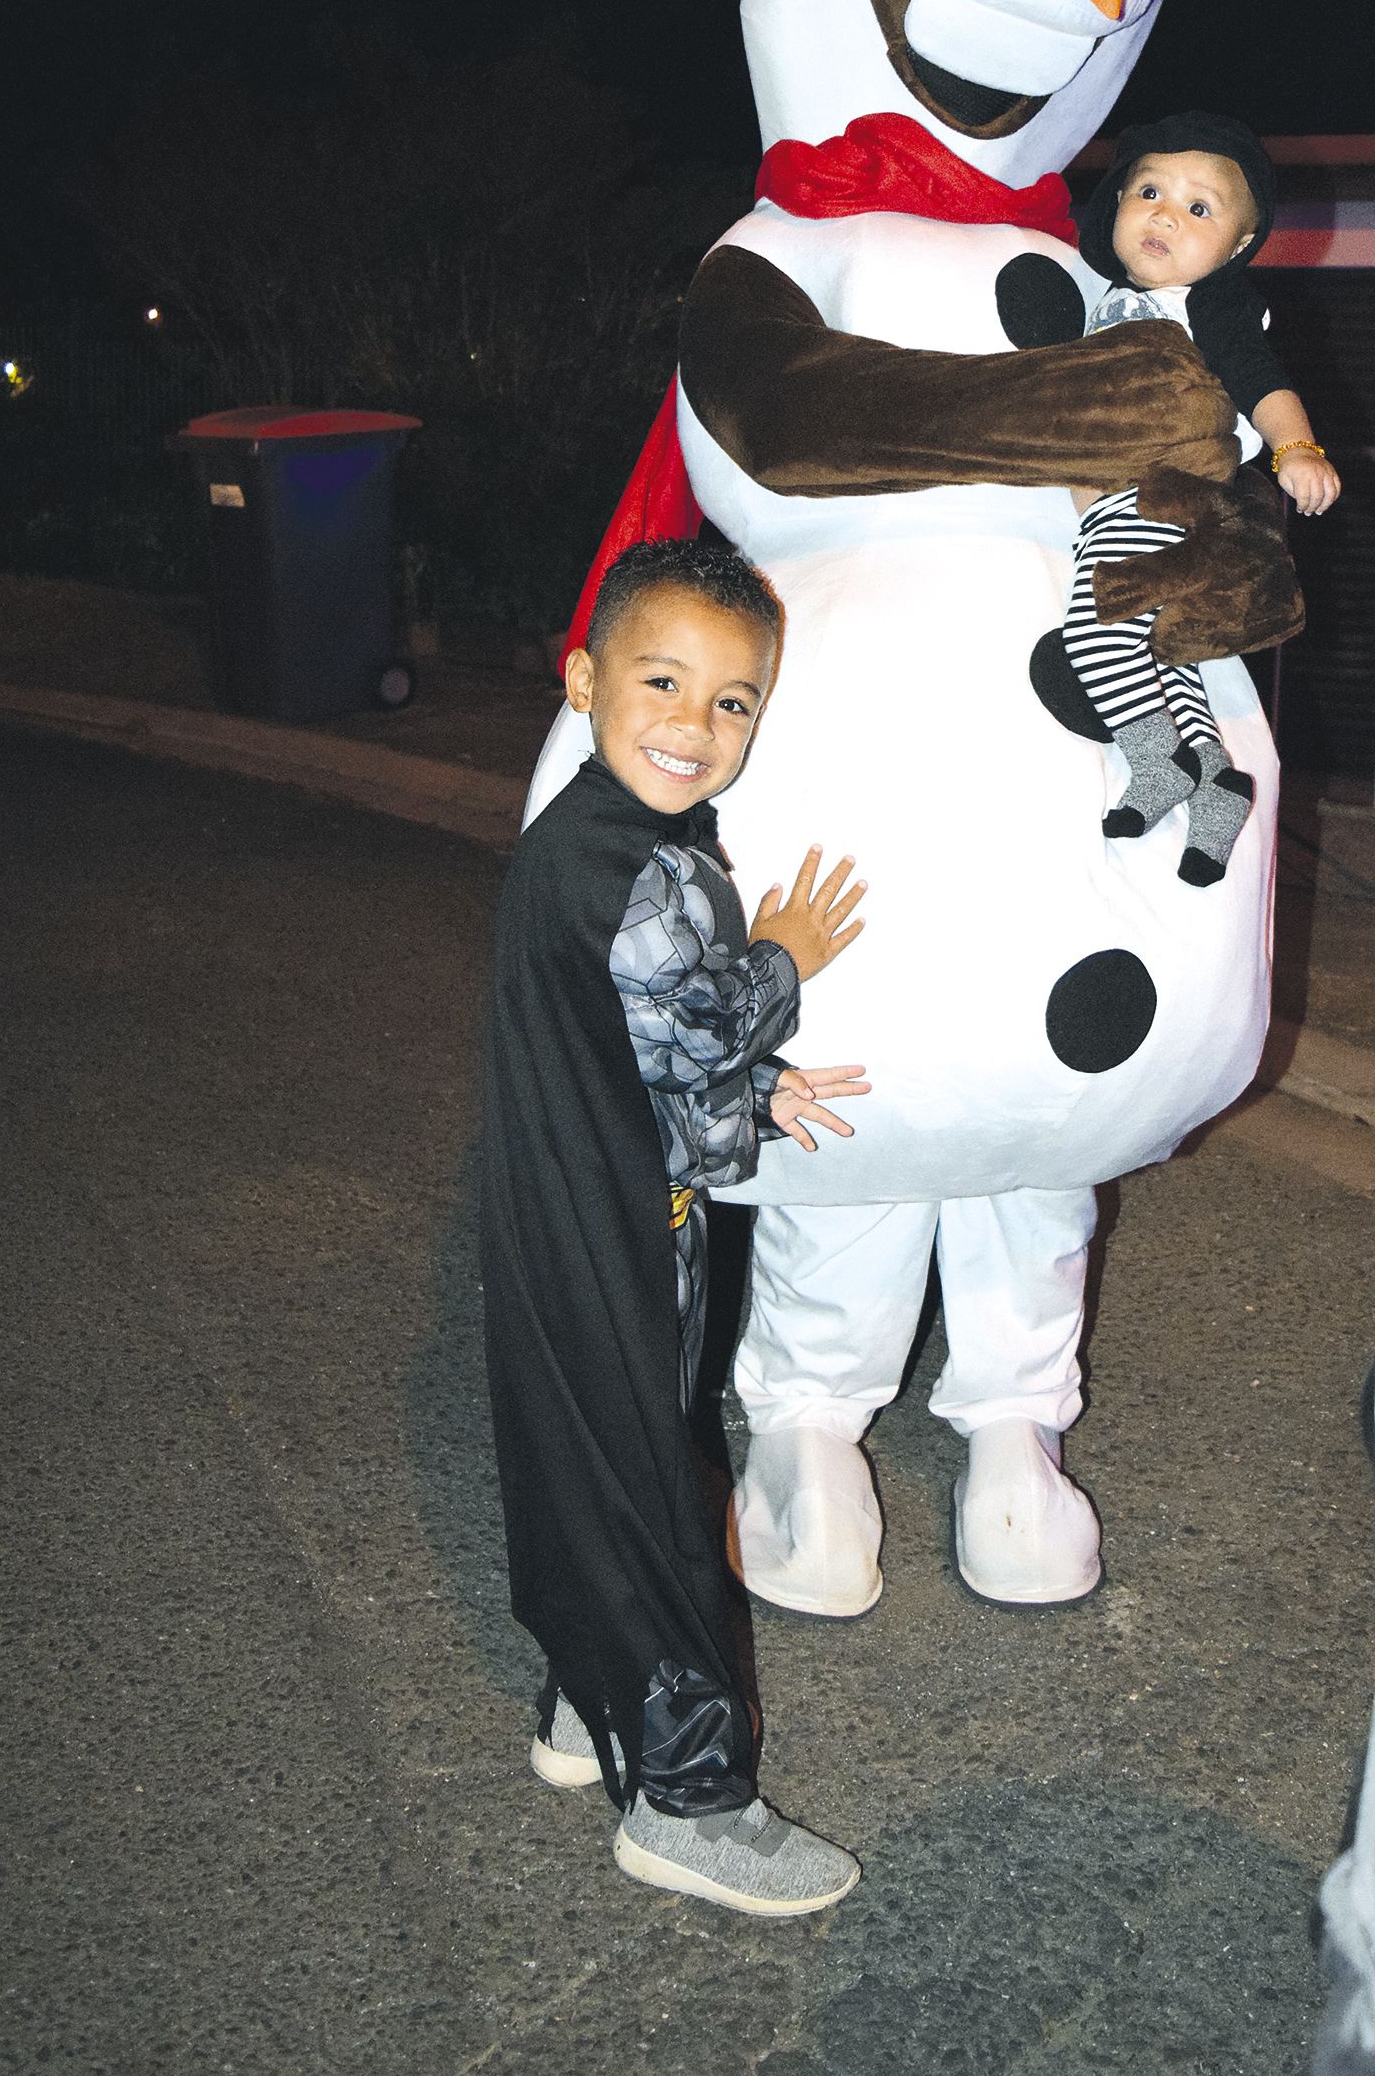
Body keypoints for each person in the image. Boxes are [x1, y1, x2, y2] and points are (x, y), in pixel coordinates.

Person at [477, 535, 870, 1915]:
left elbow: (641, 1044)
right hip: (620, 1228)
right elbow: (693, 1014)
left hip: (573, 1205)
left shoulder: (590, 838)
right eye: (661, 680)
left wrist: (752, 1086)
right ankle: (691, 1796)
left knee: (594, 1461)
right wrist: (784, 963)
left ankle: (592, 1706)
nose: (694, 726)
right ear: (583, 677)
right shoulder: (643, 870)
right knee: (653, 1487)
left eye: (732, 700)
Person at [1065, 112, 1341, 883]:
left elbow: (1262, 378)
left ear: (1238, 247)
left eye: (1198, 207)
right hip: (1130, 503)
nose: (1162, 213)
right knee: (1165, 648)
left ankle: (1156, 765)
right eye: (1147, 189)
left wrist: (1297, 446)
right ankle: (1217, 781)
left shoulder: (1209, 302)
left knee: (1100, 628)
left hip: (1165, 495)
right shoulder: (1104, 291)